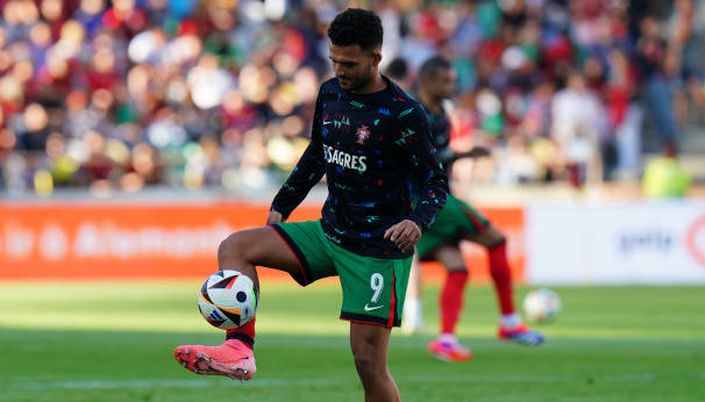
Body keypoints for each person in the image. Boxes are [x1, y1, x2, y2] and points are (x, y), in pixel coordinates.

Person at [173, 8, 448, 402]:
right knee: (235, 247)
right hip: (330, 231)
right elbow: (319, 151)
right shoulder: (330, 93)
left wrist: (418, 221)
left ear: (375, 58)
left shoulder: (404, 113)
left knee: (369, 363)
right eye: (334, 60)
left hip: (377, 250)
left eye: (349, 63)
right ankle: (239, 350)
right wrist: (284, 202)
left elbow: (436, 181)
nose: (339, 70)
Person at [406, 56, 544, 362]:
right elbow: (415, 162)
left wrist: (464, 154)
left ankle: (446, 340)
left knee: (456, 267)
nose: (452, 86)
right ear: (427, 82)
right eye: (445, 80)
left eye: (453, 80)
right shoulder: (416, 115)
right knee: (497, 239)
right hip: (433, 200)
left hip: (424, 204)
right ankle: (509, 322)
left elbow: (434, 157)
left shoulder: (440, 113)